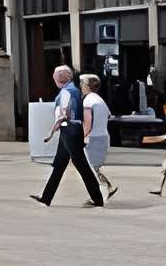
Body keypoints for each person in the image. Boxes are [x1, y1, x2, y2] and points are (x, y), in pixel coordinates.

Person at [35, 62, 104, 207]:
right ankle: (46, 197)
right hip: (71, 130)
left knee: (81, 165)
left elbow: (63, 115)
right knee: (59, 164)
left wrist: (51, 132)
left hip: (69, 130)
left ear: (59, 79)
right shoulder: (75, 90)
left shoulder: (66, 92)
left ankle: (98, 199)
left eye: (56, 78)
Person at [80, 72, 117, 202]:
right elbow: (108, 116)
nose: (81, 86)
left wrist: (83, 136)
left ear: (88, 86)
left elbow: (87, 122)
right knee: (94, 167)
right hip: (103, 136)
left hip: (93, 138)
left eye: (83, 84)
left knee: (90, 169)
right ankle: (108, 188)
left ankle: (100, 194)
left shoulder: (88, 100)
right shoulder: (100, 100)